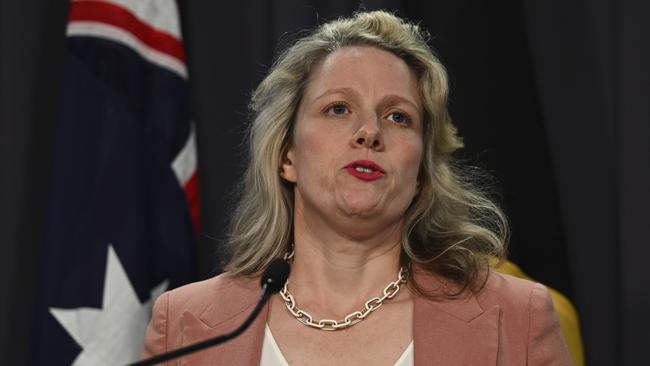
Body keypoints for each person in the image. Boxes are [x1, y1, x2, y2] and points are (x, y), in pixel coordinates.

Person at [142, 10, 571, 365]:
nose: (369, 132)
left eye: (398, 116)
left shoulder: (517, 318)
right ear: (286, 155)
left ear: (420, 172)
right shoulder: (185, 325)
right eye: (338, 108)